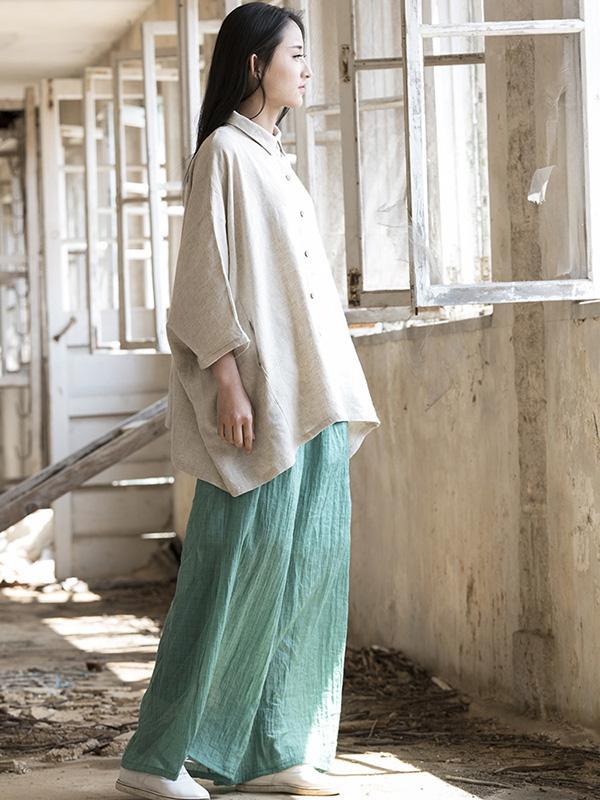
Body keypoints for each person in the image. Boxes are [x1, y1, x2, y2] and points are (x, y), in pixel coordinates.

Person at [116, 4, 380, 799]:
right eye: (295, 54)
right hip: (261, 402)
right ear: (255, 64)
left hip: (316, 397)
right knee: (230, 571)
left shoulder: (276, 161)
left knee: (306, 573)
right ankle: (153, 759)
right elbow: (203, 280)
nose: (308, 67)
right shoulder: (223, 154)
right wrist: (228, 383)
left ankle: (274, 747)